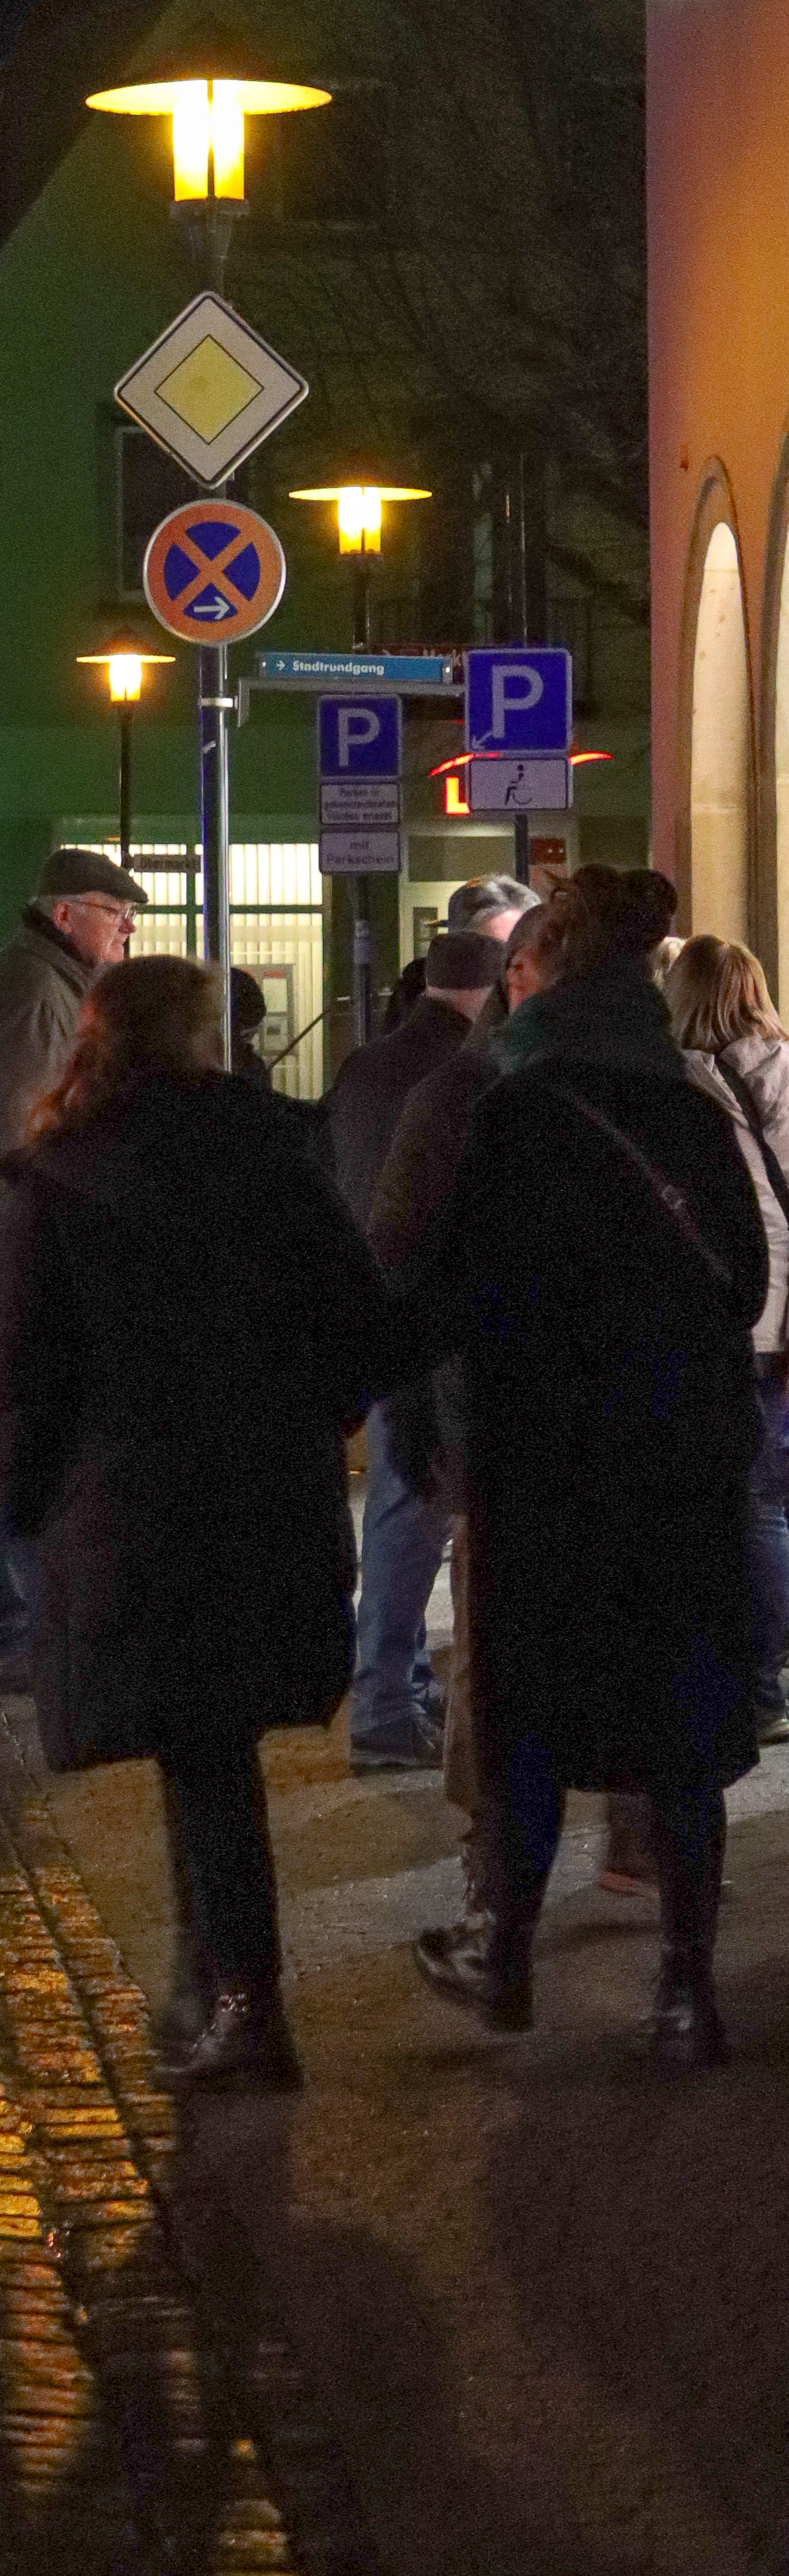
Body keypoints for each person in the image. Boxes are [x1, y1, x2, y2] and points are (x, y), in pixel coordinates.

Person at [0, 955, 381, 2089]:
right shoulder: (273, 1152)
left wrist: (27, 1505)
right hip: (265, 1483)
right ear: (205, 1037)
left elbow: (24, 1369)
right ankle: (212, 1979)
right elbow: (357, 1319)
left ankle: (243, 1999)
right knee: (209, 1741)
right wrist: (316, 1413)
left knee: (198, 1743)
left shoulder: (65, 1174)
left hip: (135, 1496)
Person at [400, 867, 768, 2064]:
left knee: (530, 1721)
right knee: (680, 1736)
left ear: (544, 979)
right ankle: (684, 1992)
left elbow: (443, 1290)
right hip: (679, 1460)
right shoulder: (689, 1112)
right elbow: (744, 1283)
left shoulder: (509, 1109)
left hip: (543, 1463)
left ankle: (504, 1958)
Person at [0, 846, 150, 1690]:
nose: (126, 929)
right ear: (65, 915)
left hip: (0, 1226)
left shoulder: (45, 980)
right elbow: (33, 1127)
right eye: (113, 912)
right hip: (2, 1231)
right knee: (26, 1427)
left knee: (34, 1423)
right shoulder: (35, 991)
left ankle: (23, 1624)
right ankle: (11, 1632)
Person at [325, 918, 506, 1773]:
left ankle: (397, 1685)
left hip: (371, 1303)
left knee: (400, 1509)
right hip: (426, 1319)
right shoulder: (461, 1073)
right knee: (412, 1513)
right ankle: (384, 1705)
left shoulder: (368, 1062)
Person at [662, 932, 789, 1745]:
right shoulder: (784, 1069)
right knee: (768, 1499)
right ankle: (766, 1681)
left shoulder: (676, 1084)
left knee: (739, 1503)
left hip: (721, 1317)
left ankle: (751, 1684)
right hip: (780, 1317)